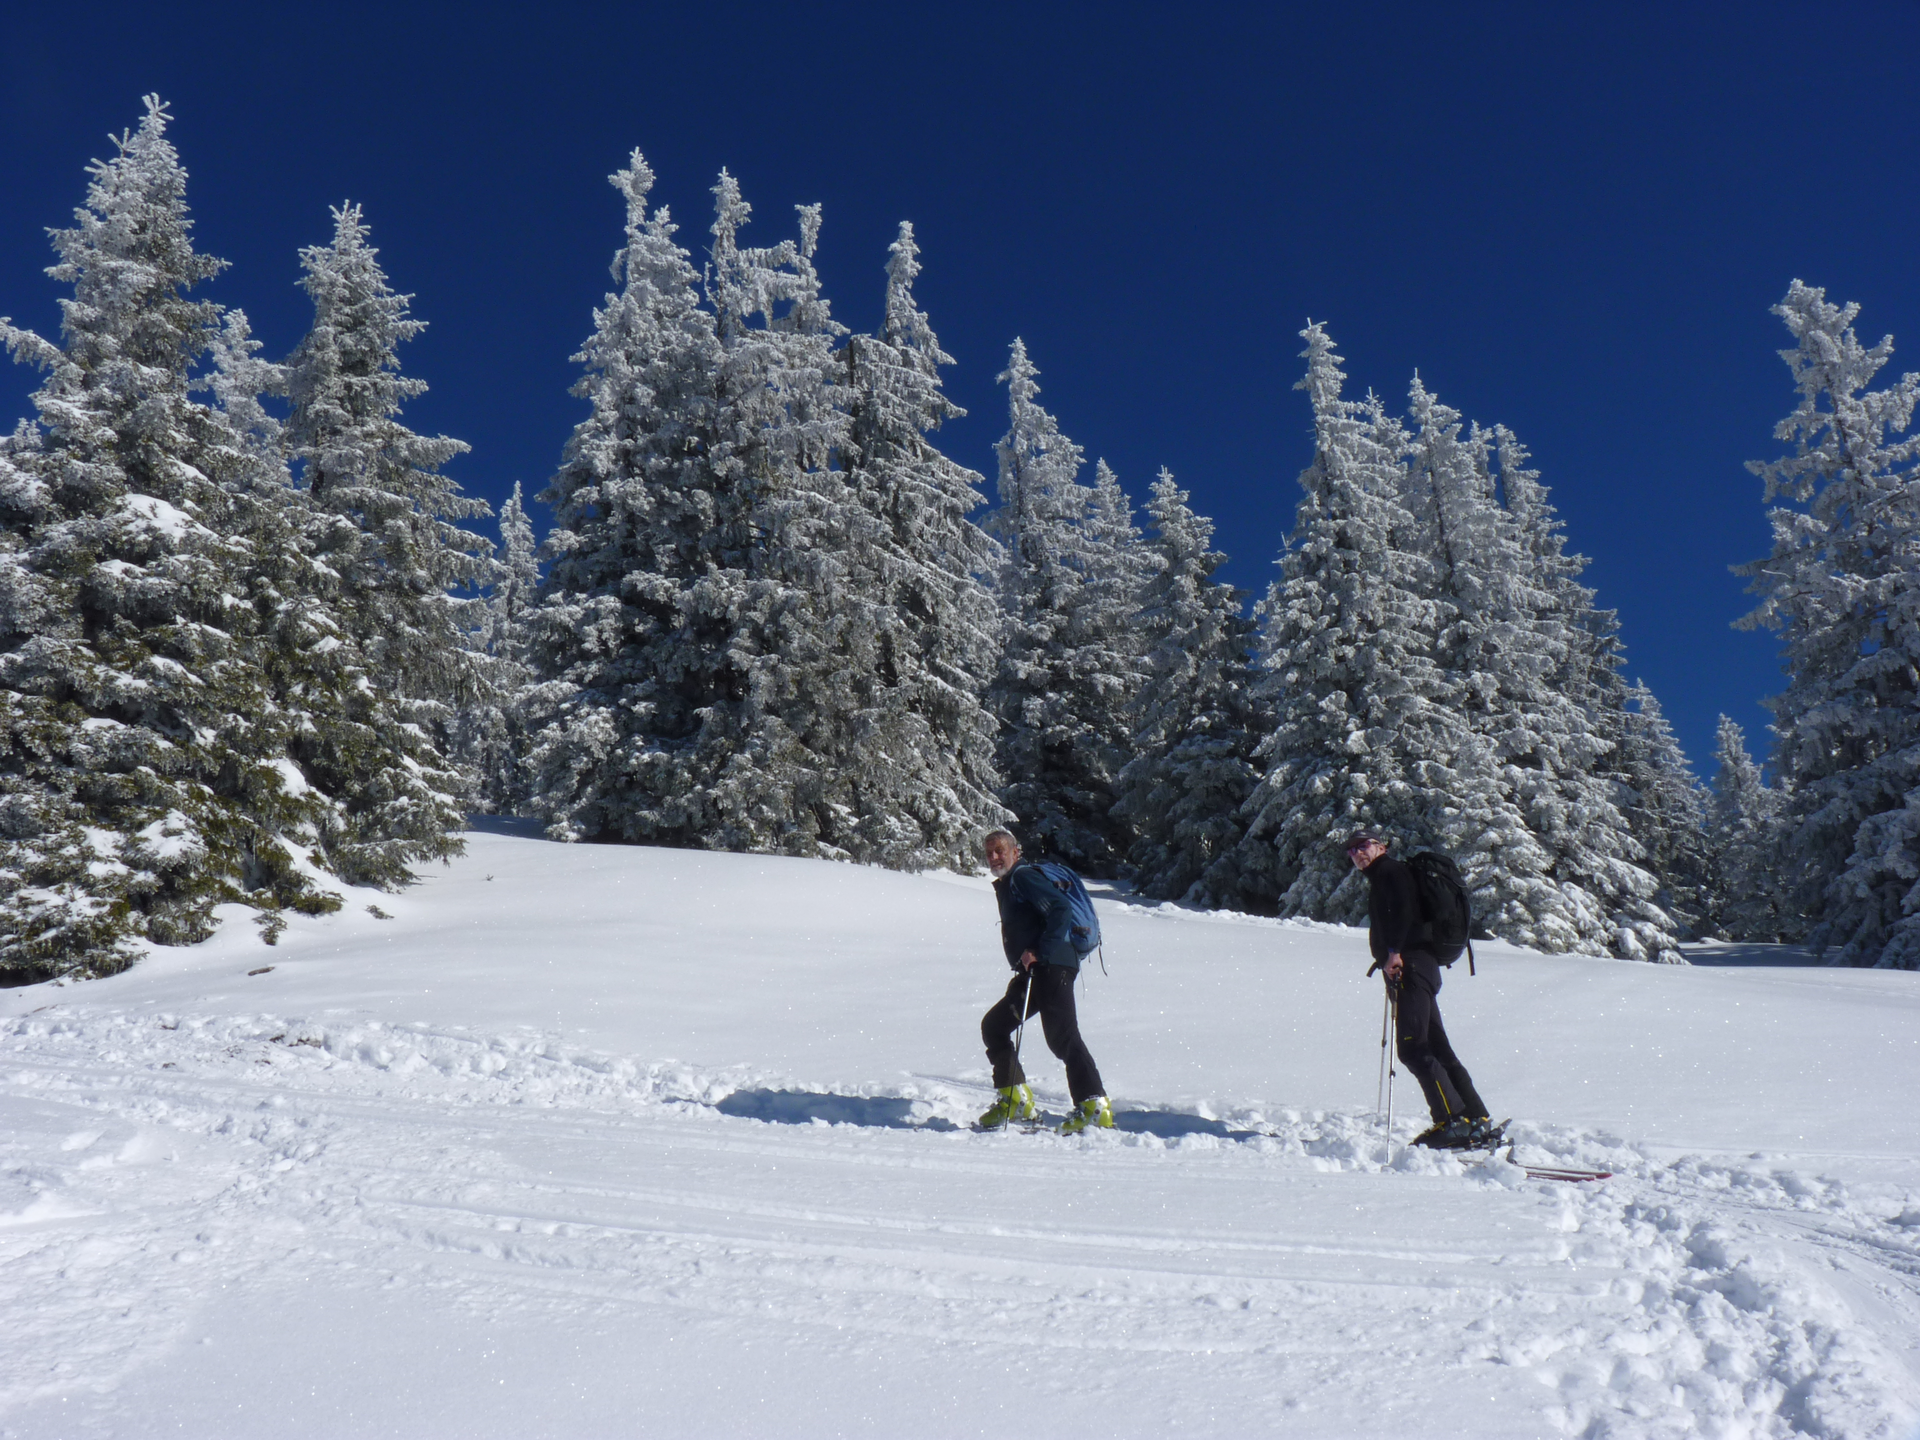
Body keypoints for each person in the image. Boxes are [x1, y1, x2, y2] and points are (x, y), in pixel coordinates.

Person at [1345, 831, 1494, 1147]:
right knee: (1437, 1047)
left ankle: (1452, 1121)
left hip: (1410, 966)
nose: (1358, 853)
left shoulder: (1389, 871)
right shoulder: (1388, 874)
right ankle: (1475, 1117)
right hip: (1419, 966)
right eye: (1352, 851)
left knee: (1413, 1048)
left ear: (1382, 847)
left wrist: (1394, 951)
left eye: (1364, 846)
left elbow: (1402, 910)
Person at [976, 828, 1114, 1134]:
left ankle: (1093, 1107)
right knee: (995, 1027)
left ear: (1015, 851)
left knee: (1062, 1037)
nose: (994, 857)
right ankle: (1015, 1101)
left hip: (1052, 966)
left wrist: (1039, 950)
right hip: (1036, 971)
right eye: (989, 853)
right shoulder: (1013, 882)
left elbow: (1060, 909)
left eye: (1000, 850)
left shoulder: (1024, 877)